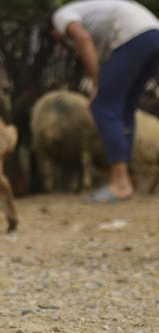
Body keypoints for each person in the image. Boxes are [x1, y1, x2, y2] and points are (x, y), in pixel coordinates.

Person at [52, 0, 159, 203]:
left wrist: (95, 83)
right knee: (124, 108)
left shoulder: (61, 16)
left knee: (104, 107)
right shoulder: (95, 18)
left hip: (134, 36)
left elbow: (81, 37)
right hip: (154, 35)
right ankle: (127, 178)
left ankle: (120, 183)